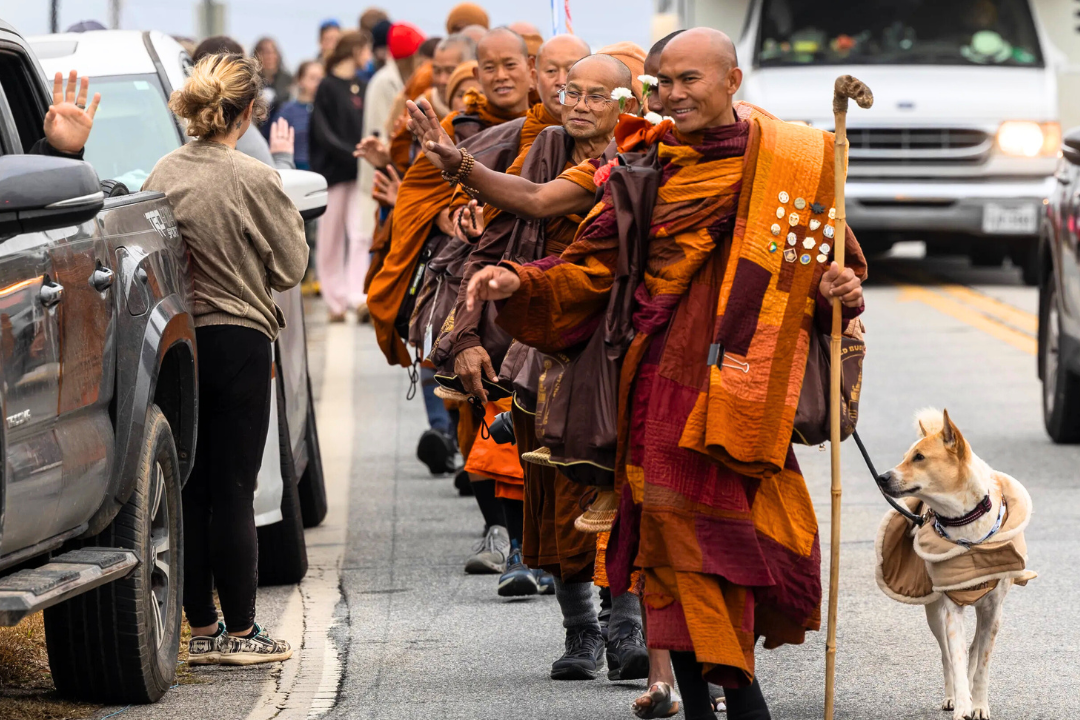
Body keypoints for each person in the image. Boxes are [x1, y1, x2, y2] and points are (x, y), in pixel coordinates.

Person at [413, 27, 867, 720]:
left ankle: (737, 702)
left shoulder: (794, 161)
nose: (674, 95)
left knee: (723, 553)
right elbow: (590, 266)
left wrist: (841, 293)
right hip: (657, 391)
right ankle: (736, 707)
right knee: (670, 557)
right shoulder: (643, 162)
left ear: (732, 81)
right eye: (662, 83)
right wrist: (518, 282)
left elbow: (830, 264)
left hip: (746, 395)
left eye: (690, 80)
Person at [435, 48, 658, 682]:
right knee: (556, 495)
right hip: (548, 344)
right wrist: (467, 334)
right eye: (571, 90)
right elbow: (503, 231)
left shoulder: (650, 160)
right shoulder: (550, 150)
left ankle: (627, 624)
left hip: (623, 347)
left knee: (626, 492)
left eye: (595, 94)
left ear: (631, 104)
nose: (577, 102)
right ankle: (580, 630)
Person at [143, 52, 307, 666]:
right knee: (236, 489)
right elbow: (291, 265)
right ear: (249, 113)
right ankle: (242, 633)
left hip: (178, 342)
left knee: (190, 486)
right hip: (240, 336)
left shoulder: (162, 170)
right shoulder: (253, 177)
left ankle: (202, 628)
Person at [367, 28, 547, 577]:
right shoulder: (459, 129)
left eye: (510, 64)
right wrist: (452, 217)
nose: (500, 75)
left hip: (538, 280)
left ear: (531, 66)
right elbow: (420, 199)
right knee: (480, 402)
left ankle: (538, 538)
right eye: (488, 65)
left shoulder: (560, 125)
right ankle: (500, 527)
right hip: (468, 284)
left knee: (537, 407)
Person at [310, 31, 371, 324]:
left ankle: (358, 296)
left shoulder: (363, 84)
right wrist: (351, 153)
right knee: (330, 237)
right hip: (334, 173)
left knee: (360, 235)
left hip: (361, 173)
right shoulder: (327, 86)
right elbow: (322, 132)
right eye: (365, 49)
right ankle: (335, 300)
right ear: (355, 49)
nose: (368, 56)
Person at [193, 37, 296, 170]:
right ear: (248, 107)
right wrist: (283, 157)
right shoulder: (242, 133)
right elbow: (271, 184)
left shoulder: (168, 164)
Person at [273, 60, 323, 171]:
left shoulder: (327, 109)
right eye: (312, 78)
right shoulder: (287, 110)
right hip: (296, 167)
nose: (317, 83)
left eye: (320, 79)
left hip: (323, 169)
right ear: (300, 80)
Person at [253, 37, 293, 136]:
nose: (269, 57)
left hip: (282, 128)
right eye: (265, 53)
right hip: (258, 129)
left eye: (272, 53)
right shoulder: (251, 79)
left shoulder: (287, 79)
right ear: (257, 56)